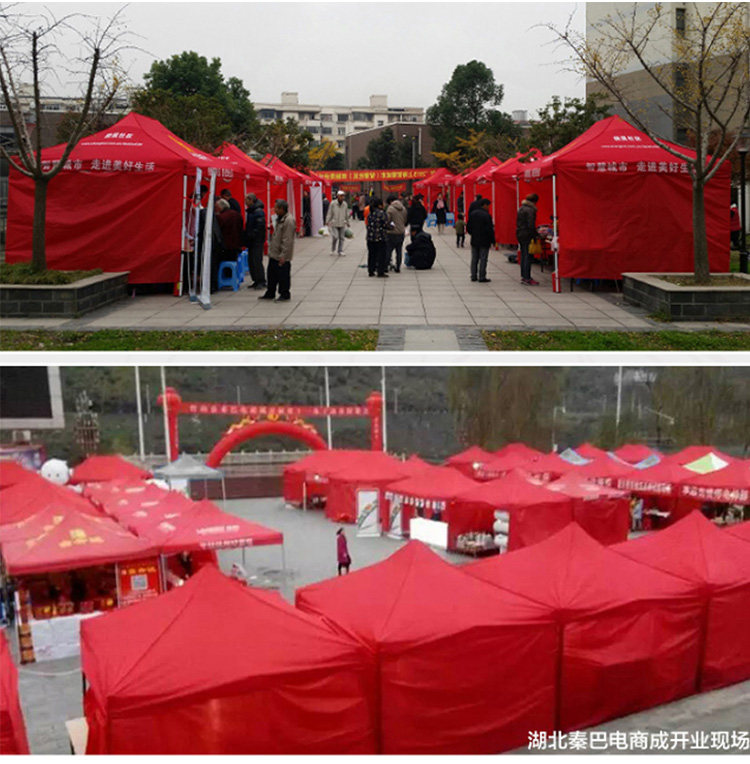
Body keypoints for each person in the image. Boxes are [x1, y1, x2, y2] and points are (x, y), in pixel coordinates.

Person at [260, 199, 295, 301]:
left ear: (282, 209)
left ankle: (284, 293)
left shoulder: (288, 220)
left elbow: (287, 240)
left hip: (281, 254)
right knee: (271, 274)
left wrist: (283, 255)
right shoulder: (280, 219)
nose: (274, 210)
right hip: (274, 253)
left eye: (276, 208)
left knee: (283, 275)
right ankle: (270, 292)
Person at [467, 197, 495, 283]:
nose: (489, 207)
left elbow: (468, 227)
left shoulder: (473, 214)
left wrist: (473, 233)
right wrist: (492, 240)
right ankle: (482, 276)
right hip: (484, 240)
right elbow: (490, 229)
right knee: (483, 258)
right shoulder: (487, 215)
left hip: (475, 239)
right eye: (488, 205)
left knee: (474, 258)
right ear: (484, 205)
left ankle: (473, 275)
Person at [244, 193, 267, 290]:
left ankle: (261, 280)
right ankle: (256, 280)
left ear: (251, 200)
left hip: (257, 240)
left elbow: (260, 226)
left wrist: (252, 234)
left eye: (246, 200)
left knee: (257, 260)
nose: (245, 202)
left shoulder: (258, 211)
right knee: (251, 261)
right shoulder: (252, 211)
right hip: (252, 240)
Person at [517, 192, 540, 286]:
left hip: (520, 233)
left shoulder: (521, 208)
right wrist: (535, 235)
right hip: (527, 234)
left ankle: (524, 276)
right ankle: (527, 277)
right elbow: (531, 225)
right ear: (534, 201)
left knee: (524, 255)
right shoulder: (530, 210)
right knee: (527, 256)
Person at [366, 196, 389, 277]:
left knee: (372, 255)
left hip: (370, 237)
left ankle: (371, 271)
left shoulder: (370, 214)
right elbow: (386, 225)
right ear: (379, 205)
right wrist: (392, 226)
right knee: (381, 255)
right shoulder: (382, 214)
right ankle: (380, 271)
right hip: (380, 237)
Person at [386, 193, 408, 272]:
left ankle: (386, 266)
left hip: (392, 233)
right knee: (399, 251)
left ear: (390, 201)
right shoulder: (403, 208)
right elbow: (405, 220)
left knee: (388, 250)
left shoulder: (390, 209)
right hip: (401, 232)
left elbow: (387, 220)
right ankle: (398, 267)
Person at [326, 190, 350, 256]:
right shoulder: (333, 203)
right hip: (334, 223)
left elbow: (346, 214)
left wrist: (348, 222)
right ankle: (333, 249)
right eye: (341, 196)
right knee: (335, 237)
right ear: (338, 196)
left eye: (343, 196)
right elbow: (330, 213)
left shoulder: (345, 204)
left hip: (342, 223)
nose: (342, 197)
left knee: (341, 238)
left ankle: (340, 250)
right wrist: (327, 221)